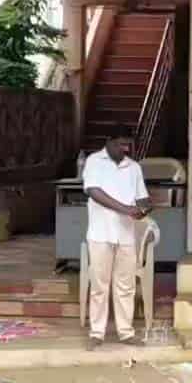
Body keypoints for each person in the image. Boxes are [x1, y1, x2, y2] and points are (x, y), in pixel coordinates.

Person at [82, 127, 150, 351]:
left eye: (128, 145)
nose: (125, 149)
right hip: (100, 234)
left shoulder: (134, 168)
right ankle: (97, 333)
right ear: (109, 141)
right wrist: (125, 209)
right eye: (121, 144)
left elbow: (142, 197)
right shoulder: (94, 161)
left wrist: (144, 208)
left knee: (126, 286)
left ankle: (126, 332)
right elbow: (93, 192)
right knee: (99, 285)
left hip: (126, 235)